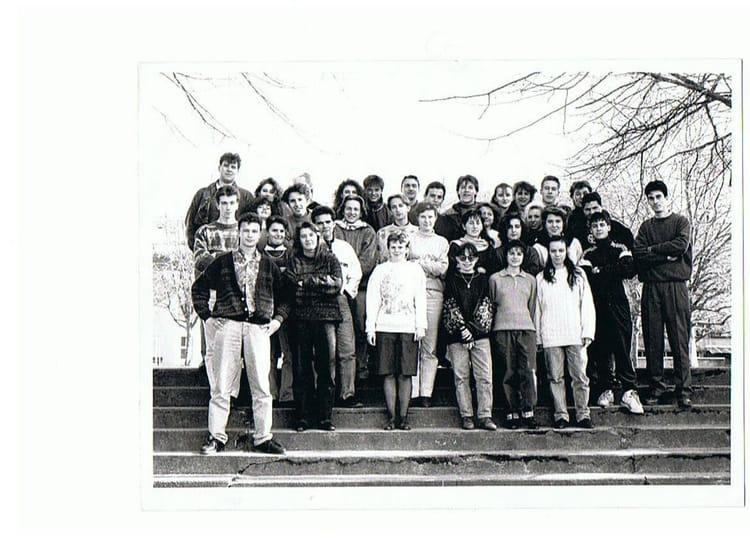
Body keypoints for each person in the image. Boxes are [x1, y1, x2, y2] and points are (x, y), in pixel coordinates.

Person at [191, 212, 288, 455]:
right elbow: (199, 288)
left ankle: (263, 437)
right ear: (239, 232)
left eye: (254, 231)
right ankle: (216, 437)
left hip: (258, 328)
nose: (250, 235)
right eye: (246, 230)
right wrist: (207, 316)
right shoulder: (223, 262)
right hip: (229, 326)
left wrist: (277, 320)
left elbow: (286, 296)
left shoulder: (268, 264)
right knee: (222, 384)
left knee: (261, 385)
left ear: (260, 234)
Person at [633, 180, 693, 408]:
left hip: (676, 286)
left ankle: (683, 390)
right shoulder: (646, 227)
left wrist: (653, 251)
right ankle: (657, 387)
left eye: (658, 196)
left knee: (679, 339)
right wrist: (664, 256)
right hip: (652, 287)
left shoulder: (680, 222)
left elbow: (680, 246)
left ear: (666, 198)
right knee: (653, 339)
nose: (655, 201)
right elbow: (639, 254)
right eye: (651, 198)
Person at [579, 211, 643, 414]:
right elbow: (587, 278)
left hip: (619, 305)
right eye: (595, 225)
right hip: (598, 307)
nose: (599, 228)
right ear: (591, 230)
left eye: (602, 225)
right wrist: (609, 270)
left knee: (622, 347)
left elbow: (628, 270)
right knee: (601, 349)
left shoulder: (620, 248)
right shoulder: (587, 254)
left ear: (608, 227)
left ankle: (629, 391)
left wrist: (601, 270)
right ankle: (606, 389)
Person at [284, 222, 343, 432]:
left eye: (311, 235)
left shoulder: (330, 259)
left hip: (326, 318)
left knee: (327, 367)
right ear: (299, 240)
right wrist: (320, 284)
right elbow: (292, 287)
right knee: (301, 368)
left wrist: (307, 283)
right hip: (300, 318)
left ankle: (325, 417)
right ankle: (303, 417)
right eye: (303, 236)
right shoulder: (293, 260)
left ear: (318, 237)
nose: (308, 239)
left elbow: (336, 286)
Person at [366, 232, 427, 430]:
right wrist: (370, 327)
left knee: (405, 373)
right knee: (388, 373)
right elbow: (372, 300)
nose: (397, 250)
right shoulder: (380, 270)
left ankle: (403, 417)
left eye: (401, 246)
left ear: (407, 249)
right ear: (388, 248)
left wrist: (420, 325)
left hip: (408, 326)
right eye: (393, 246)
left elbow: (421, 299)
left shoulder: (415, 270)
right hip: (385, 325)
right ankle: (391, 417)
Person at [535, 236, 596, 429]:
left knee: (579, 376)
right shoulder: (541, 277)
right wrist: (538, 336)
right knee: (555, 377)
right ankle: (561, 415)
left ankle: (583, 413)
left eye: (561, 250)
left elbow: (587, 304)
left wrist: (587, 330)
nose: (557, 255)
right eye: (553, 251)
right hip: (551, 334)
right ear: (548, 253)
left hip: (574, 333)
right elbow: (538, 309)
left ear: (566, 252)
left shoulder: (578, 274)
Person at [312, 206, 364, 409]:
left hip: (340, 300)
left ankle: (347, 394)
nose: (324, 226)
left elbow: (356, 272)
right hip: (319, 302)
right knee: (327, 351)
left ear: (333, 223)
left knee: (347, 348)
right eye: (319, 223)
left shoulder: (344, 247)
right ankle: (327, 395)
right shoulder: (310, 247)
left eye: (327, 222)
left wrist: (346, 291)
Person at [442, 242, 496, 431]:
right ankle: (467, 415)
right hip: (458, 336)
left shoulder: (483, 280)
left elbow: (486, 306)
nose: (466, 261)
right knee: (461, 376)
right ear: (457, 259)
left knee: (484, 376)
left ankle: (485, 415)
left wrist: (472, 330)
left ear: (476, 259)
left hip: (480, 334)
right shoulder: (451, 280)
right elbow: (449, 306)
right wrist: (463, 331)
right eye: (462, 258)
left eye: (471, 258)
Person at [489, 239, 539, 429]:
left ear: (523, 257)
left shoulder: (530, 280)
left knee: (527, 370)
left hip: (526, 329)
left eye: (519, 254)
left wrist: (530, 326)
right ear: (506, 256)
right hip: (502, 329)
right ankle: (511, 412)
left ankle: (528, 411)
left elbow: (532, 306)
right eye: (512, 253)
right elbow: (492, 305)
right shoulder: (495, 279)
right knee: (507, 370)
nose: (515, 257)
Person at [192, 185, 241, 368]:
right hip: (213, 292)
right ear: (218, 205)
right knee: (212, 341)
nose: (228, 207)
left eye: (231, 203)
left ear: (237, 204)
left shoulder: (243, 231)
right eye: (224, 203)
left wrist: (216, 256)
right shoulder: (205, 231)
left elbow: (246, 260)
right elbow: (201, 260)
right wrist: (229, 261)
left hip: (238, 293)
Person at [408, 202, 450, 407]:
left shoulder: (441, 242)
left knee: (429, 344)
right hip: (411, 293)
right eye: (423, 216)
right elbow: (406, 264)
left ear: (436, 218)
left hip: (433, 293)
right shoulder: (409, 238)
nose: (426, 220)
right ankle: (412, 391)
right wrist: (428, 265)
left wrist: (420, 262)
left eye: (430, 217)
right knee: (413, 341)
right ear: (417, 218)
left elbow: (442, 269)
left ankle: (426, 391)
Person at [334, 195, 378, 382]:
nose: (352, 212)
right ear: (343, 210)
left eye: (356, 209)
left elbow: (368, 260)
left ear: (361, 212)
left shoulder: (367, 231)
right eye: (348, 208)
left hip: (361, 287)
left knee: (359, 327)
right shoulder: (335, 228)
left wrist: (351, 277)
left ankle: (360, 368)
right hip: (336, 287)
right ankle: (340, 373)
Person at [184, 152, 253, 251]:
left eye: (233, 167)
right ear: (219, 168)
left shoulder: (246, 197)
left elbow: (252, 226)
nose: (229, 169)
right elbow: (190, 225)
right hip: (207, 251)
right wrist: (198, 250)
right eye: (226, 165)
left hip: (236, 252)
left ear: (238, 171)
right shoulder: (202, 194)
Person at [261, 215, 294, 404]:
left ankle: (287, 394)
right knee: (269, 354)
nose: (278, 234)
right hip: (265, 310)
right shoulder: (260, 255)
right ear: (267, 233)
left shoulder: (290, 255)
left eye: (282, 231)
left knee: (289, 354)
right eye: (274, 230)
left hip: (287, 311)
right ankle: (270, 393)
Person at [450, 208, 501, 275]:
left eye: (478, 223)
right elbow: (451, 269)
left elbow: (494, 269)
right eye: (471, 223)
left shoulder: (487, 245)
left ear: (482, 226)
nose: (475, 226)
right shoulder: (456, 245)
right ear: (464, 226)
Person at [375, 194, 419, 262]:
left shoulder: (418, 232)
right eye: (394, 207)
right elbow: (380, 258)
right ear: (390, 211)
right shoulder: (382, 233)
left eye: (401, 206)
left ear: (408, 208)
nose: (398, 210)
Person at [441, 174, 480, 242]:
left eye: (470, 188)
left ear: (476, 191)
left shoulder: (483, 211)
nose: (466, 190)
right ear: (458, 191)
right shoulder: (448, 214)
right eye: (463, 187)